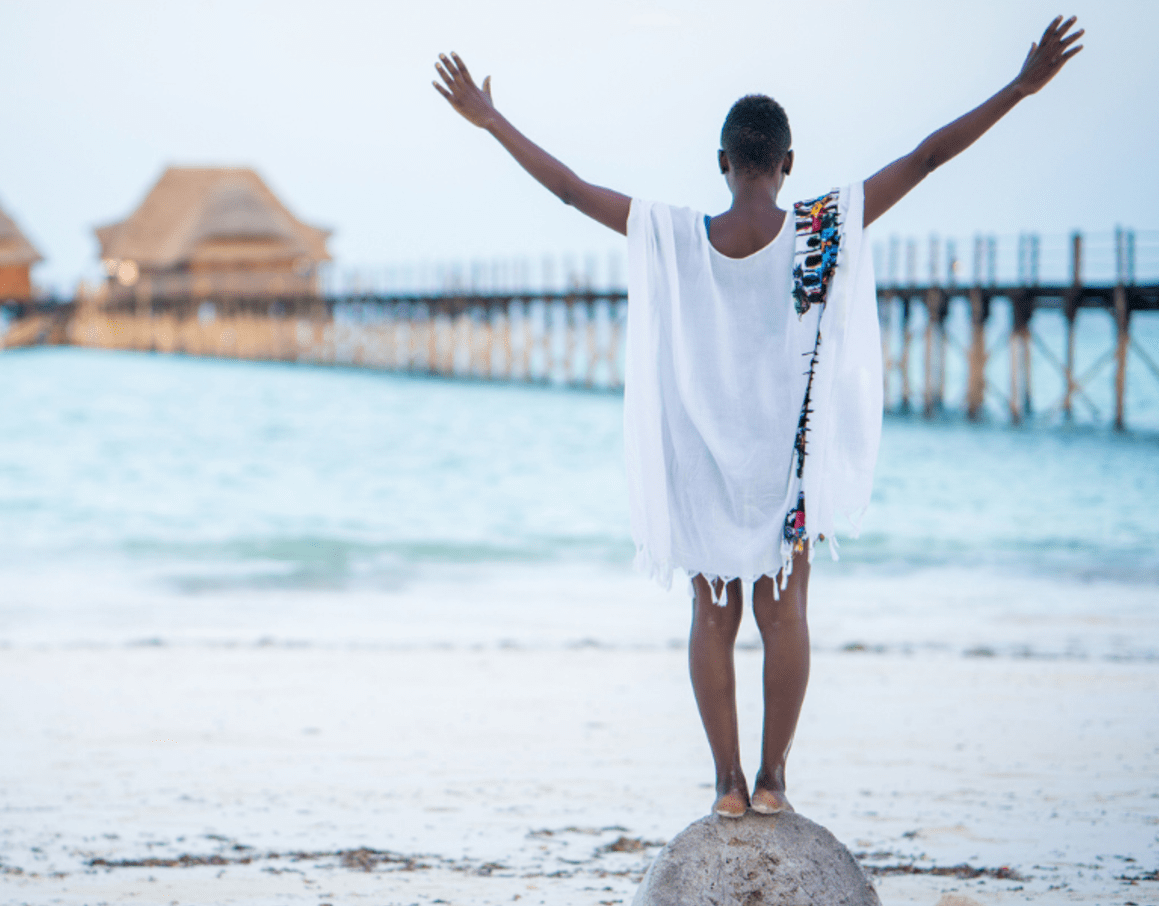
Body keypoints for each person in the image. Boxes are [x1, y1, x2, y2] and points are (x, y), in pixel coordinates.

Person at [433, 16, 1083, 817]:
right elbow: (925, 157)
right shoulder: (819, 228)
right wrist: (1018, 88)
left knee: (713, 612)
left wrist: (493, 120)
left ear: (722, 163)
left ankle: (726, 788)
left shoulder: (676, 235)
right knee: (786, 611)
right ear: (786, 164)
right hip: (790, 462)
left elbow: (570, 190)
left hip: (704, 456)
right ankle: (775, 782)